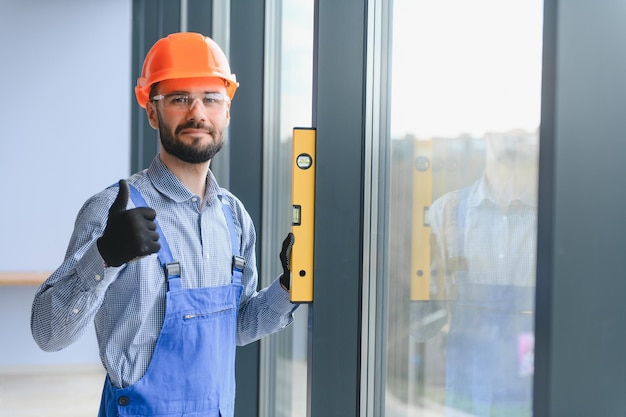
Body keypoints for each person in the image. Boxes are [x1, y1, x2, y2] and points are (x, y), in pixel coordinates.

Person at [30, 32, 298, 417]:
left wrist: (289, 287)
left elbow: (236, 327)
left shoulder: (234, 217)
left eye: (211, 98)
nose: (197, 113)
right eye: (179, 99)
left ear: (227, 112)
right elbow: (47, 333)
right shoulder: (111, 211)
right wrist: (104, 257)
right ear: (153, 111)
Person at [411, 130, 539, 416]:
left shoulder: (556, 215)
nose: (516, 137)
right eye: (508, 127)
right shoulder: (445, 213)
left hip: (534, 390)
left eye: (524, 129)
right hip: (467, 391)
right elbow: (419, 321)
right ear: (489, 134)